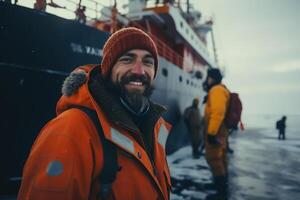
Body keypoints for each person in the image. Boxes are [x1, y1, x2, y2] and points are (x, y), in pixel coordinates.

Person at [18, 27, 172, 200]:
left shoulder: (155, 126)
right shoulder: (71, 129)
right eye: (127, 59)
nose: (139, 70)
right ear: (108, 69)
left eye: (148, 62)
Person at [202, 68, 230, 200]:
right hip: (221, 130)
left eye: (208, 77)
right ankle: (221, 188)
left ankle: (221, 194)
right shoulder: (219, 90)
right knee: (221, 158)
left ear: (212, 78)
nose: (206, 80)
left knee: (214, 159)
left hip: (216, 131)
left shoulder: (217, 90)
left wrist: (211, 133)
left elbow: (218, 112)